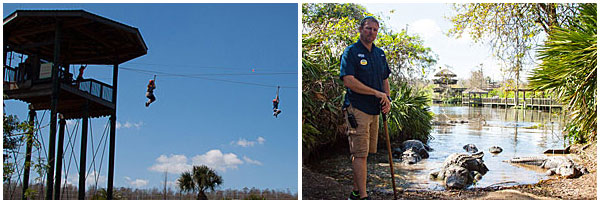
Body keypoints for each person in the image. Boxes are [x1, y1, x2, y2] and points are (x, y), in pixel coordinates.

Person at [339, 16, 391, 200]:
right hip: (357, 108)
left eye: (375, 30)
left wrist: (387, 99)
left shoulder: (380, 54)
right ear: (360, 29)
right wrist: (376, 93)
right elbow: (349, 80)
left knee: (366, 153)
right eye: (368, 28)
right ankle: (362, 196)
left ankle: (355, 191)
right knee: (359, 154)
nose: (372, 33)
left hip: (375, 111)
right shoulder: (351, 52)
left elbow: (385, 79)